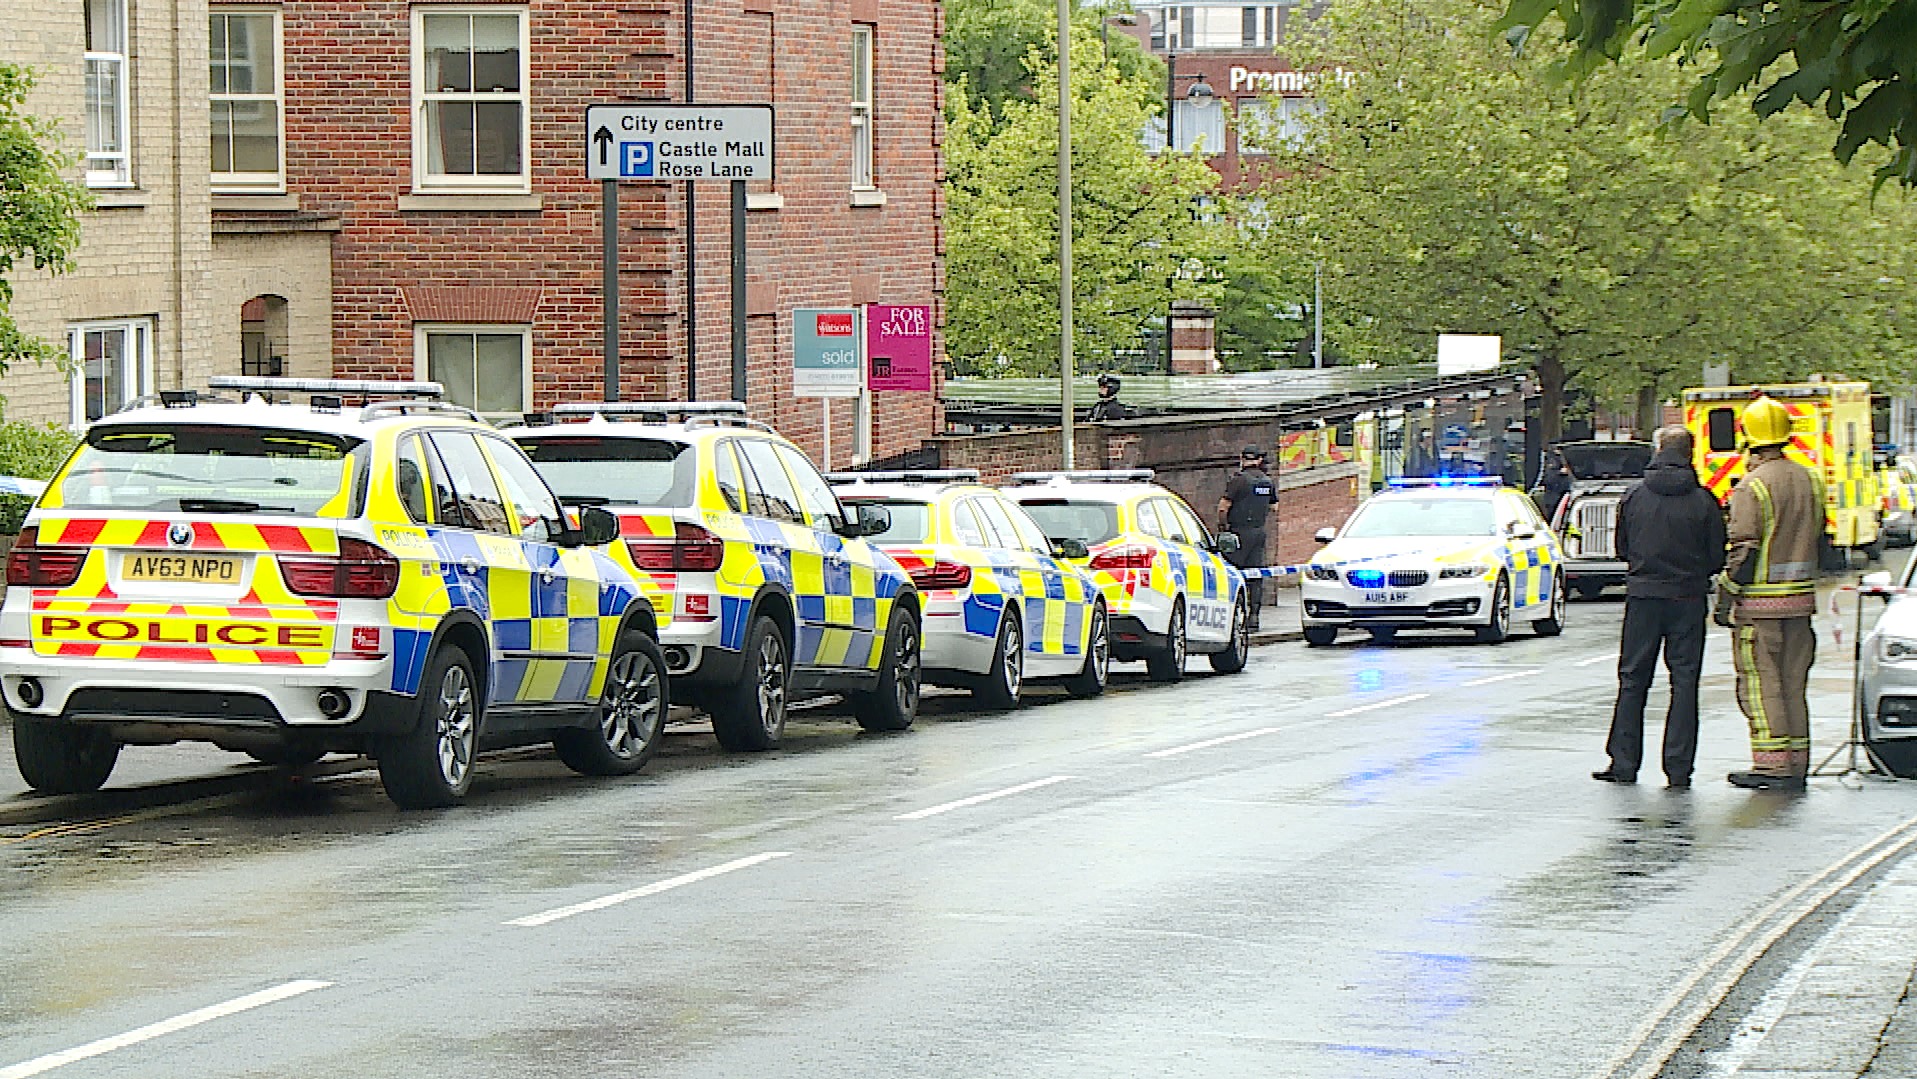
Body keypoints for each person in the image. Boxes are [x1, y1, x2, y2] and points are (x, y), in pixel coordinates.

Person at [1592, 426, 1726, 789]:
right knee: (1684, 683)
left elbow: (1621, 548)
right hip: (1687, 597)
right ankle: (1678, 767)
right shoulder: (1704, 501)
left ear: (1657, 450)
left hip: (1643, 597)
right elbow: (1717, 557)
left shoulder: (1635, 497)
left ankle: (1623, 761)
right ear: (1690, 453)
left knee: (1633, 679)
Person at [1718, 395, 1823, 791]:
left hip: (1759, 608)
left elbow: (1744, 548)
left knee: (1762, 686)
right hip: (1801, 606)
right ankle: (1797, 762)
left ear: (1749, 437)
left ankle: (1772, 765)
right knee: (1794, 684)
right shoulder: (1809, 478)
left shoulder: (1752, 486)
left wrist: (1726, 595)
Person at [1218, 446, 1277, 630]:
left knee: (1232, 574)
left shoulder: (1239, 481)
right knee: (1256, 575)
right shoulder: (1267, 482)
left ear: (1243, 459)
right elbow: (1274, 507)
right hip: (1258, 533)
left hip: (1238, 532)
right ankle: (1254, 617)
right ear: (1259, 460)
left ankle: (1232, 615)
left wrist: (1223, 526)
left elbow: (1223, 507)